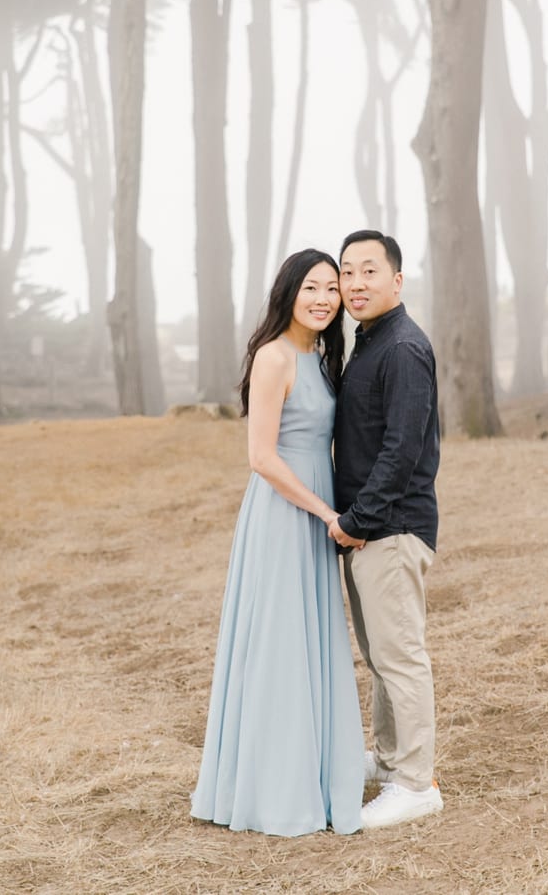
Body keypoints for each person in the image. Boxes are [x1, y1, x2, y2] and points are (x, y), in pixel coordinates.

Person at [191, 249, 364, 837]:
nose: (323, 298)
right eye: (311, 287)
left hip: (318, 513)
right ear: (288, 292)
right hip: (286, 514)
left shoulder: (322, 355)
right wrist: (326, 513)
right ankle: (273, 786)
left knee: (312, 640)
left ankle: (316, 769)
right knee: (280, 644)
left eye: (331, 289)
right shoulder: (274, 357)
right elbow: (260, 457)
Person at [327, 229, 444, 829]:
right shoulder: (367, 342)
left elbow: (401, 450)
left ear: (397, 280)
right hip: (371, 530)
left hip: (390, 529)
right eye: (348, 272)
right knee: (381, 656)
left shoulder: (401, 348)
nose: (355, 283)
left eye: (369, 271)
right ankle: (392, 757)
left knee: (401, 657)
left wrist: (358, 522)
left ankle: (416, 783)